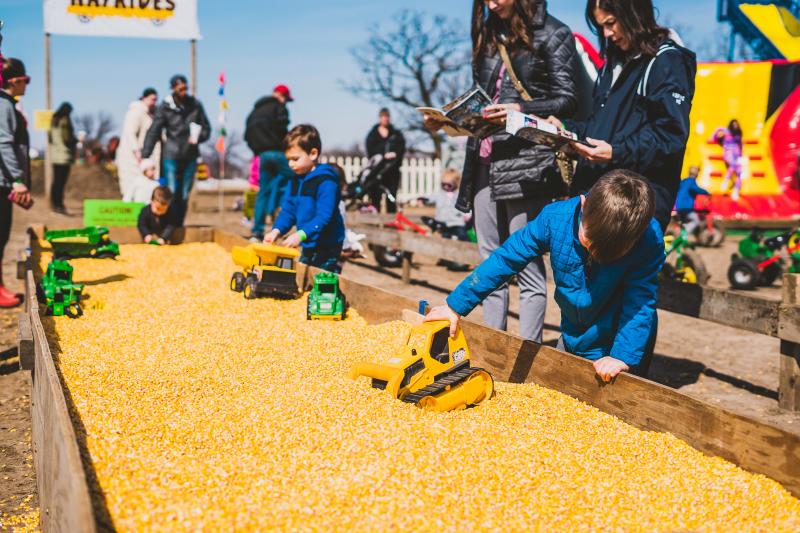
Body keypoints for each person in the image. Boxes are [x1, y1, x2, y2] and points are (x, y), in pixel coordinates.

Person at [426, 0, 579, 344]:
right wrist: (448, 119)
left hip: (526, 161)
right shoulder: (488, 32)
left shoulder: (554, 33)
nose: (492, 3)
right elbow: (483, 97)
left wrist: (521, 109)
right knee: (489, 260)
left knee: (526, 264)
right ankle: (496, 347)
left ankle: (528, 352)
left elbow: (569, 99)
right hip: (483, 158)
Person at [425, 170, 664, 381]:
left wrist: (622, 356)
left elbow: (640, 302)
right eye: (589, 242)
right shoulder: (555, 218)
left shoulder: (647, 239)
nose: (593, 253)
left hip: (617, 335)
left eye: (608, 253)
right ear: (582, 204)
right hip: (574, 329)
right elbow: (506, 258)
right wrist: (454, 306)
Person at [551, 0, 697, 230]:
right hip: (597, 197)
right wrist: (565, 130)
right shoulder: (613, 63)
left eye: (611, 23)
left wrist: (615, 153)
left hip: (634, 207)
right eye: (600, 27)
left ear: (634, 12)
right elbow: (603, 128)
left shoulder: (666, 61)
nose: (607, 33)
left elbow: (670, 137)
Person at [263, 125, 345, 273]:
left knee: (323, 279)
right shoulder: (295, 180)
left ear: (313, 154)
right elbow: (288, 211)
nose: (290, 164)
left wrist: (301, 234)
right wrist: (276, 231)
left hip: (327, 242)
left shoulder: (326, 182)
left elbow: (324, 216)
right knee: (303, 274)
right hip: (307, 241)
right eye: (288, 159)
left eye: (295, 159)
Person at [142, 74, 210, 226]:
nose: (183, 92)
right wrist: (145, 155)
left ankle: (178, 225)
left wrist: (198, 137)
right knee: (170, 192)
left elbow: (207, 128)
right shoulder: (165, 107)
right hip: (171, 155)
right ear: (173, 89)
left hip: (190, 155)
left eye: (185, 88)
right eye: (180, 89)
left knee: (184, 193)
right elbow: (154, 130)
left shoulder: (196, 105)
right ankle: (168, 225)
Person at [245, 84, 295, 241]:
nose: (286, 102)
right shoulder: (279, 107)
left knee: (263, 192)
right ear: (282, 96)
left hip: (262, 156)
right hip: (277, 152)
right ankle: (286, 221)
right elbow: (283, 128)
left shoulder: (254, 111)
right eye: (286, 99)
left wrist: (257, 149)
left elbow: (247, 135)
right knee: (299, 177)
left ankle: (257, 231)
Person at [0, 57, 31, 308]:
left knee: (3, 236)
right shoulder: (4, 105)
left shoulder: (9, 104)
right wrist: (17, 180)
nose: (27, 85)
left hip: (5, 182)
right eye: (26, 80)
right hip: (3, 182)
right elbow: (3, 143)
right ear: (15, 80)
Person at [117, 88, 159, 199]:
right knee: (131, 187)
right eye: (152, 99)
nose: (154, 102)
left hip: (142, 157)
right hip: (131, 157)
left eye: (156, 100)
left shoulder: (150, 114)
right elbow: (130, 132)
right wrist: (136, 151)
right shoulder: (136, 111)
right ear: (144, 98)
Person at [365, 108, 405, 213]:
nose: (385, 119)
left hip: (392, 171)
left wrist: (394, 154)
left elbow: (401, 148)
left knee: (391, 196)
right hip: (377, 171)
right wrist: (383, 155)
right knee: (375, 195)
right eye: (383, 116)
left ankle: (391, 219)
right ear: (380, 118)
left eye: (387, 116)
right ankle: (375, 217)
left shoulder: (395, 134)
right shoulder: (373, 134)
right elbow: (370, 151)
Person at [49, 102, 77, 214]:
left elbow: (50, 138)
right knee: (61, 182)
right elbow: (67, 138)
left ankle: (55, 204)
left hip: (55, 155)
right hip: (64, 155)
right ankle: (59, 205)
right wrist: (75, 141)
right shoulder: (65, 120)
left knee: (56, 182)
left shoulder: (53, 120)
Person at [675, 165, 710, 237]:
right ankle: (684, 234)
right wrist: (707, 192)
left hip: (679, 207)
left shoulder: (683, 181)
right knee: (696, 221)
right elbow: (697, 189)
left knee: (683, 222)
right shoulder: (691, 182)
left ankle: (682, 238)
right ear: (696, 174)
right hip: (686, 207)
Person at [714, 119, 744, 200]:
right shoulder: (725, 131)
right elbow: (715, 136)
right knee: (734, 165)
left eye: (736, 124)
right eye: (733, 124)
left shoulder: (738, 133)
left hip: (736, 154)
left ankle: (736, 190)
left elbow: (741, 144)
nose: (735, 126)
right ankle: (726, 180)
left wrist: (741, 154)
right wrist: (720, 142)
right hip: (728, 153)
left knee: (739, 173)